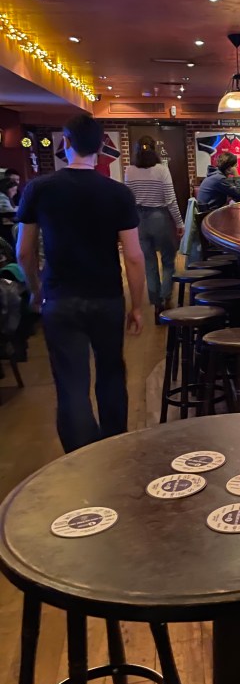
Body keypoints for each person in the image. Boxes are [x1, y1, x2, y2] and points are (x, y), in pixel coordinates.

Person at [16, 113, 145, 453]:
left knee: (71, 383)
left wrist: (35, 290)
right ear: (102, 147)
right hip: (106, 297)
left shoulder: (39, 189)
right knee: (111, 373)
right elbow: (133, 256)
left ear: (66, 144)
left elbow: (24, 251)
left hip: (60, 297)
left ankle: (80, 458)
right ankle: (115, 447)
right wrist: (138, 306)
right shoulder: (118, 193)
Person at [124, 136, 184, 323]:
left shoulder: (129, 170)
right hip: (160, 217)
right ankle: (166, 298)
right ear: (155, 149)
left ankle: (155, 302)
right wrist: (180, 223)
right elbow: (171, 200)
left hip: (139, 220)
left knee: (149, 263)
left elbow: (128, 200)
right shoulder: (162, 170)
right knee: (168, 260)